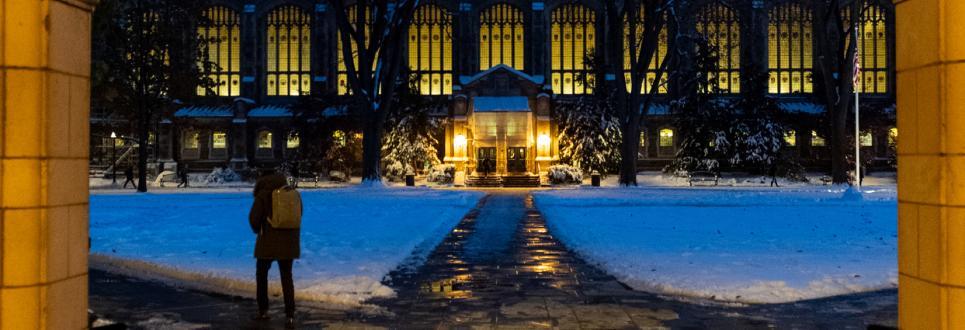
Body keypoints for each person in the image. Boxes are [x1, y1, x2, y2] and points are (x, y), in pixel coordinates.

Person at [248, 168, 301, 328]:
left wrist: (259, 230)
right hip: (289, 241)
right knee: (287, 276)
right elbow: (299, 213)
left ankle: (263, 309)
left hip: (268, 240)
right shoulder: (291, 192)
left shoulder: (263, 194)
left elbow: (254, 218)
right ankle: (290, 314)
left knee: (262, 273)